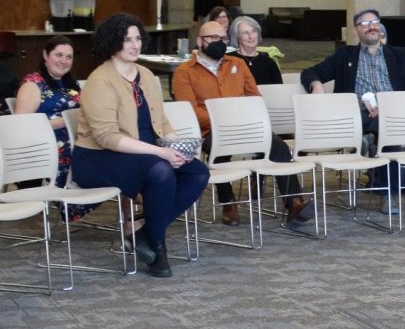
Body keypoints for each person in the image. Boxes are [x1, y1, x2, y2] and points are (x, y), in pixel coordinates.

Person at [70, 14, 210, 278]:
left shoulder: (145, 74)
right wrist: (161, 153)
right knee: (161, 170)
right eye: (127, 40)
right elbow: (106, 137)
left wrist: (177, 146)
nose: (135, 45)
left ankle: (143, 232)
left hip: (144, 155)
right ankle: (158, 248)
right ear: (113, 43)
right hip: (97, 158)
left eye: (137, 39)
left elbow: (161, 121)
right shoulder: (100, 80)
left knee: (198, 173)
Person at [174, 21, 312, 230]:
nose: (219, 42)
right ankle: (228, 203)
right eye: (213, 38)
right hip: (210, 130)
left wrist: (242, 119)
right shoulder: (185, 72)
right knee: (219, 152)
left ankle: (294, 203)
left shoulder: (238, 65)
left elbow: (254, 98)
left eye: (222, 38)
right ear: (200, 41)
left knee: (280, 147)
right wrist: (224, 120)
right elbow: (189, 110)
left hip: (246, 127)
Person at [300, 8, 405, 215]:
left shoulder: (400, 54)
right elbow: (309, 72)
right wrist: (316, 84)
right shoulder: (345, 55)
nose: (371, 26)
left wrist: (386, 106)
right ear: (357, 30)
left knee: (387, 126)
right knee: (386, 132)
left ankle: (369, 140)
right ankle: (388, 195)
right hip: (356, 116)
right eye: (365, 24)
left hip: (391, 114)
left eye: (374, 22)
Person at [14, 36, 91, 210]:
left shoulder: (71, 83)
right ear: (45, 55)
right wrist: (66, 121)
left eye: (69, 57)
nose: (64, 61)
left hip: (78, 139)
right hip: (48, 147)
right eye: (59, 55)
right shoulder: (33, 84)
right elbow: (21, 127)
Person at [228, 15, 283, 86]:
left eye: (254, 31)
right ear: (237, 37)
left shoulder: (269, 63)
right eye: (245, 33)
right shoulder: (228, 60)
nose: (251, 36)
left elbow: (278, 90)